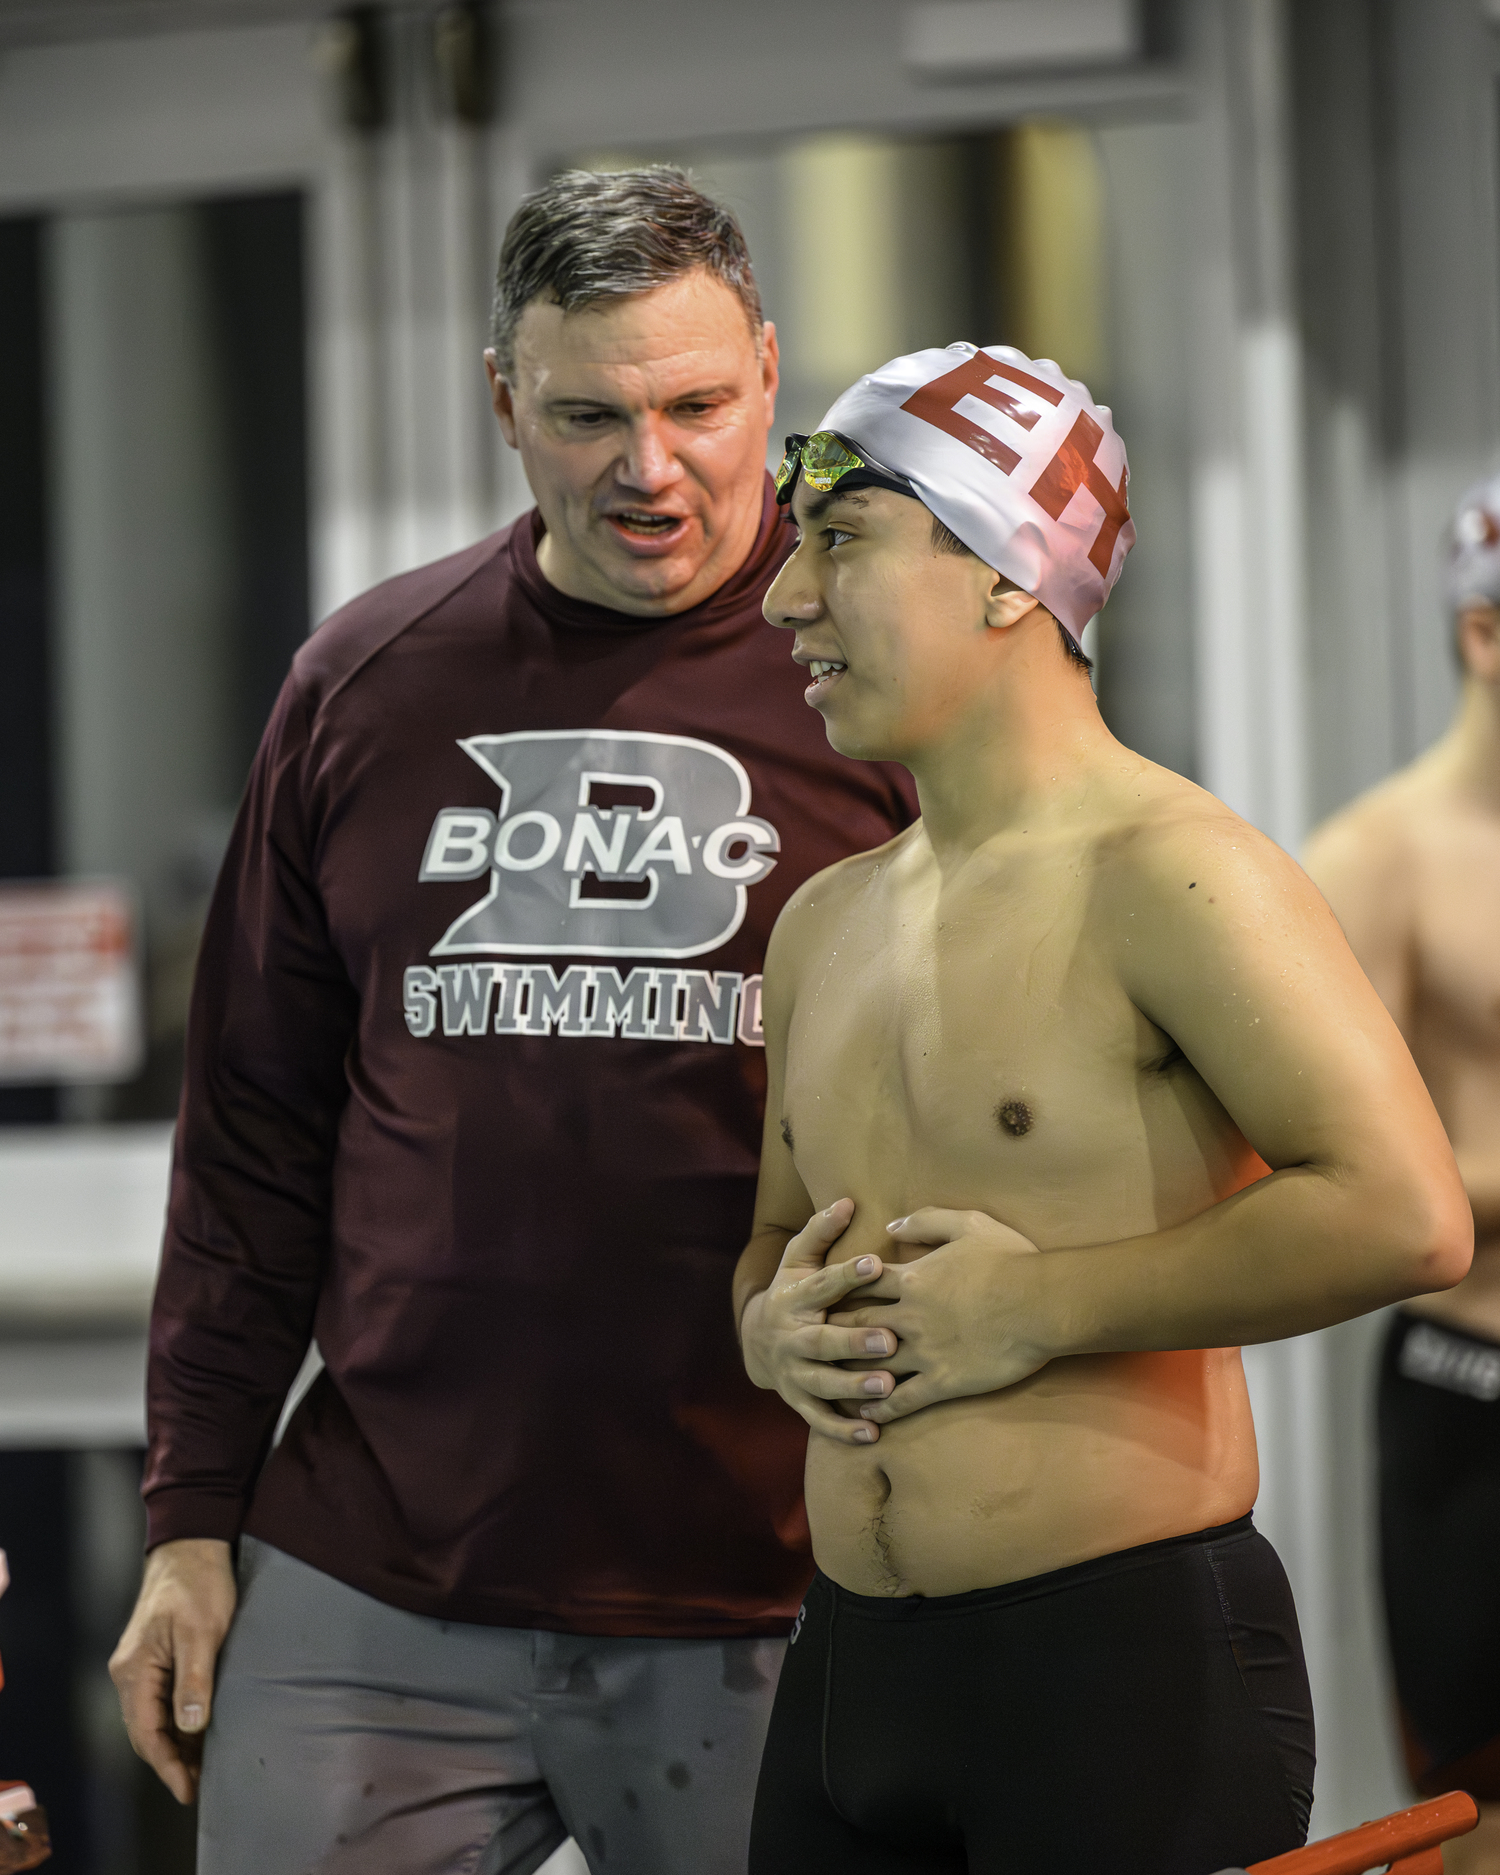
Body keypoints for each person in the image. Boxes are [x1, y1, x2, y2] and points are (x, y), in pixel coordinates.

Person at [107, 167, 917, 1875]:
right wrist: (190, 1520)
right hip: (376, 1570)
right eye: (588, 414)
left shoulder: (892, 690)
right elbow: (253, 1132)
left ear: (771, 373)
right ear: (501, 402)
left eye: (699, 405)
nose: (653, 467)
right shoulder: (364, 683)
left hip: (770, 1575)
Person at [733, 343, 1474, 1875]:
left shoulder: (1177, 873)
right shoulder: (822, 918)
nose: (784, 599)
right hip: (849, 1672)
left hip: (1117, 1665)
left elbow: (1405, 1214)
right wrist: (764, 1327)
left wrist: (1038, 1306)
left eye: (843, 538)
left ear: (1009, 574)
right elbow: (771, 1243)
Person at [1304, 478, 1500, 1875]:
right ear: (1482, 634)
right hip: (1471, 1393)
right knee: (1475, 1817)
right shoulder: (1382, 859)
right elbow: (1333, 1173)